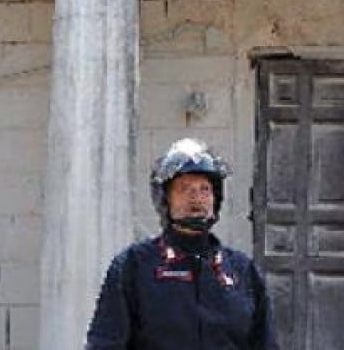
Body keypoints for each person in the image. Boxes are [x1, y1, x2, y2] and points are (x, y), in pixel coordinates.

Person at [86, 138, 278, 350]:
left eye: (205, 189)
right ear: (165, 199)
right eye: (184, 188)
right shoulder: (133, 267)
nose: (196, 197)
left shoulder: (242, 271)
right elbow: (105, 343)